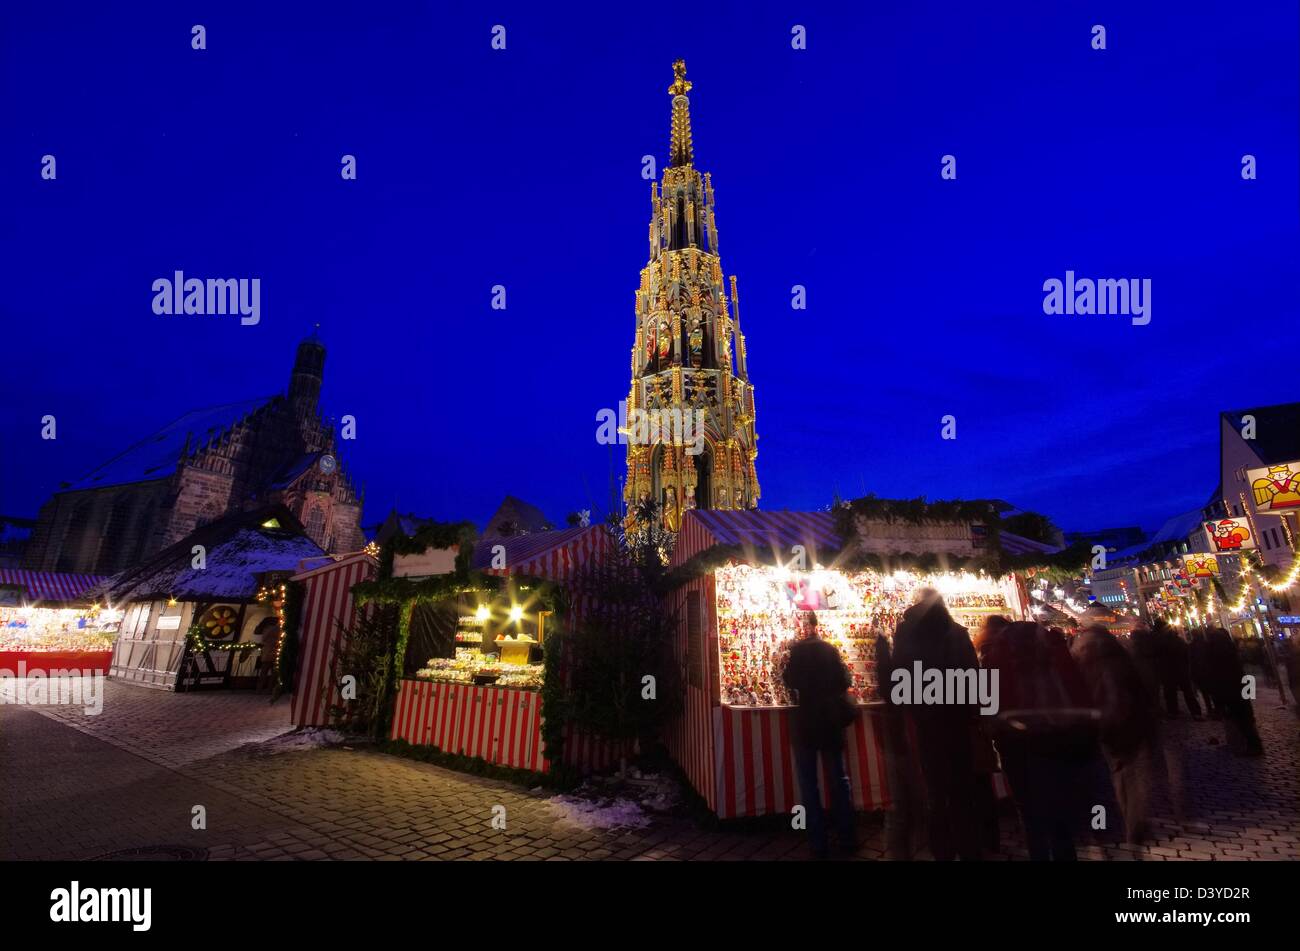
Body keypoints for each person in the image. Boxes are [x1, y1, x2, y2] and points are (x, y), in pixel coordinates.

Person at [880, 588, 986, 861]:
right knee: (963, 789)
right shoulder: (957, 633)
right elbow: (975, 680)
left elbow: (898, 683)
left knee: (936, 790)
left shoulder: (906, 633)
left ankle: (942, 849)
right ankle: (970, 847)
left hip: (925, 722)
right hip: (957, 720)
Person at [979, 621, 1098, 861]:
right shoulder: (1055, 653)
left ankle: (1041, 854)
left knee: (1030, 813)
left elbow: (987, 704)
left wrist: (996, 733)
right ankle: (1065, 854)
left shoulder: (998, 658)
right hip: (1057, 739)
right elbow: (1078, 691)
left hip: (1017, 743)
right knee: (1058, 811)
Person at [1071, 625, 1159, 844]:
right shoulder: (1121, 658)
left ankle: (1106, 822)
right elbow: (1141, 688)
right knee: (1130, 773)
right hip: (1126, 720)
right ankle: (1133, 820)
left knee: (1109, 774)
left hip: (1096, 723)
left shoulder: (1079, 662)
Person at [781, 611, 857, 859]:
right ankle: (847, 837)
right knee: (839, 779)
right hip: (830, 722)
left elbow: (788, 679)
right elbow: (845, 680)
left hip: (806, 723)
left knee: (809, 784)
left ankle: (818, 842)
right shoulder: (830, 650)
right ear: (817, 625)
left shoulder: (797, 651)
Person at [1205, 628, 1264, 756]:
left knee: (1238, 718)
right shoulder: (1231, 648)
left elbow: (1216, 674)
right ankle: (1249, 743)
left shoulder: (1215, 653)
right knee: (1245, 717)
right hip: (1240, 686)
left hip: (1229, 689)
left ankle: (1249, 745)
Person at [1154, 622, 1202, 718]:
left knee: (1170, 693)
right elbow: (1186, 654)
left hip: (1168, 671)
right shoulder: (1178, 640)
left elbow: (1157, 657)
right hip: (1181, 670)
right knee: (1188, 692)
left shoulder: (1159, 641)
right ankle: (1196, 712)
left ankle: (1173, 712)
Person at [1188, 629, 1218, 718]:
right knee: (1213, 692)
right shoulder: (1206, 644)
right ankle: (1217, 709)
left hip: (1200, 673)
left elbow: (1191, 661)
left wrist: (1193, 675)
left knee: (1205, 693)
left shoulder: (1191, 646)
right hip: (1209, 671)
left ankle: (1210, 710)